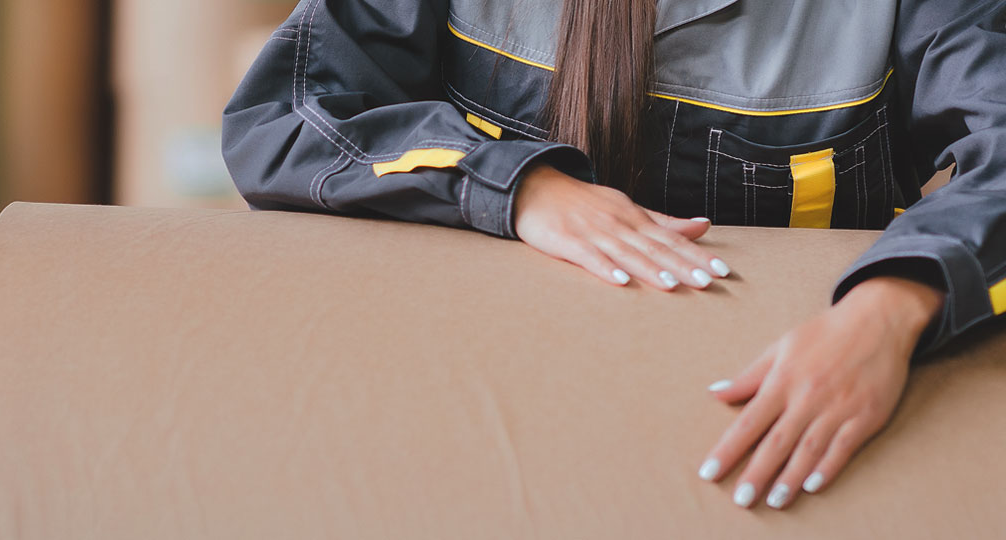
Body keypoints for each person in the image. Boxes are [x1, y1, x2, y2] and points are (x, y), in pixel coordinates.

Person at [222, 0, 1006, 510]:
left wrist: (893, 306)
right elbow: (285, 114)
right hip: (492, 451)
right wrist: (522, 190)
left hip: (773, 471)